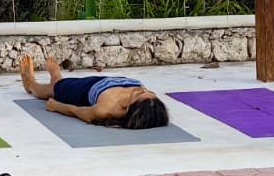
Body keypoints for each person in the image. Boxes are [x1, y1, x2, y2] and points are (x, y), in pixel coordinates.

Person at [20, 54, 170, 128]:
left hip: (83, 90)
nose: (141, 89)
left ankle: (30, 83)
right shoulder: (147, 100)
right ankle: (57, 78)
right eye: (148, 91)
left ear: (132, 108)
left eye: (140, 94)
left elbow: (80, 112)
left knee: (48, 91)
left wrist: (55, 106)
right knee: (60, 83)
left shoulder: (107, 109)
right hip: (106, 81)